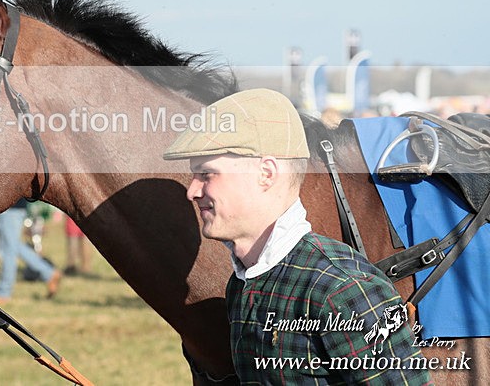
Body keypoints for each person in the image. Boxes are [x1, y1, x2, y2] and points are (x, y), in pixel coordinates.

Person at [163, 88, 431, 385]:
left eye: (207, 174)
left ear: (266, 173)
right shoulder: (241, 286)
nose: (192, 191)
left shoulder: (344, 289)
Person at [0, 198, 61, 305]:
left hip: (11, 206)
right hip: (9, 206)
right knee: (11, 245)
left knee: (9, 250)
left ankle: (3, 293)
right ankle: (48, 272)